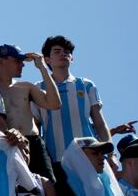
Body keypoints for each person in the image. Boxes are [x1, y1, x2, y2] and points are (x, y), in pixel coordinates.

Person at [34, 36, 115, 167]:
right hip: (56, 160)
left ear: (72, 59)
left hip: (89, 157)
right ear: (47, 59)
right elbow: (35, 127)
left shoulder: (86, 85)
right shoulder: (38, 88)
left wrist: (111, 155)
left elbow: (99, 122)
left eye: (67, 52)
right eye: (57, 51)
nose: (63, 53)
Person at [0, 44, 61, 181]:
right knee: (14, 188)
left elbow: (54, 104)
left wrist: (42, 68)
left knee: (48, 186)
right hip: (8, 142)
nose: (22, 65)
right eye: (17, 60)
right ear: (1, 61)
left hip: (33, 143)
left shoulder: (25, 87)